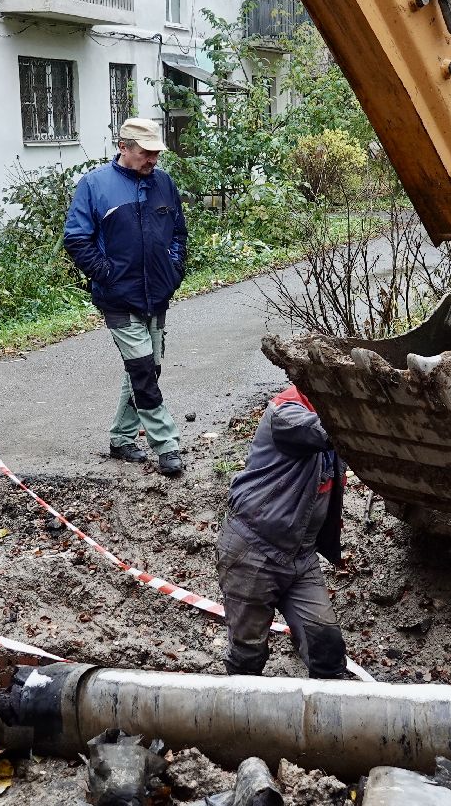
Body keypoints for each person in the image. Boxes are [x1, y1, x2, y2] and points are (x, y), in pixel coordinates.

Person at [64, 117, 189, 477]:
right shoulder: (95, 185)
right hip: (118, 297)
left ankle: (121, 438)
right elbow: (76, 239)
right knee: (142, 369)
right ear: (123, 147)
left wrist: (174, 268)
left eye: (156, 153)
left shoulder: (163, 183)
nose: (153, 160)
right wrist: (107, 275)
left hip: (157, 294)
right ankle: (167, 444)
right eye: (145, 153)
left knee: (148, 368)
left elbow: (178, 232)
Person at [217, 385, 348, 678]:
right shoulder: (285, 413)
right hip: (253, 551)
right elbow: (326, 432)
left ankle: (325, 720)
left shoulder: (334, 411)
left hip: (301, 557)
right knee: (247, 655)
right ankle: (242, 717)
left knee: (327, 650)